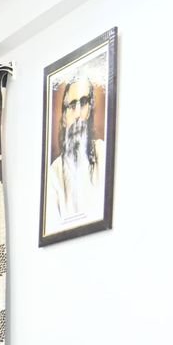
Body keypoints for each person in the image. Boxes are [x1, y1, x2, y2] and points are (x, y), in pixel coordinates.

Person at [44, 77, 106, 230]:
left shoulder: (102, 152)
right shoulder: (53, 172)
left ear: (89, 111)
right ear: (64, 117)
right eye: (72, 106)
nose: (78, 114)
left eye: (83, 103)